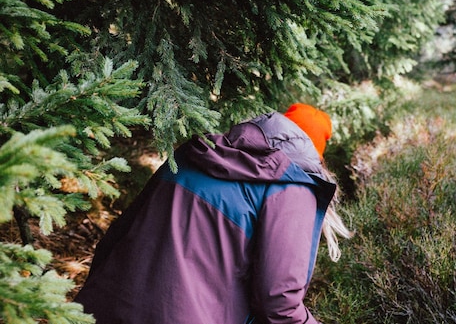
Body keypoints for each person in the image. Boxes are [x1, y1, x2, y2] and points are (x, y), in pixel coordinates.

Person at [75, 103, 352, 324]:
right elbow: (278, 303)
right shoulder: (292, 187)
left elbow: (117, 236)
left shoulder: (193, 154)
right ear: (313, 157)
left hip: (105, 306)